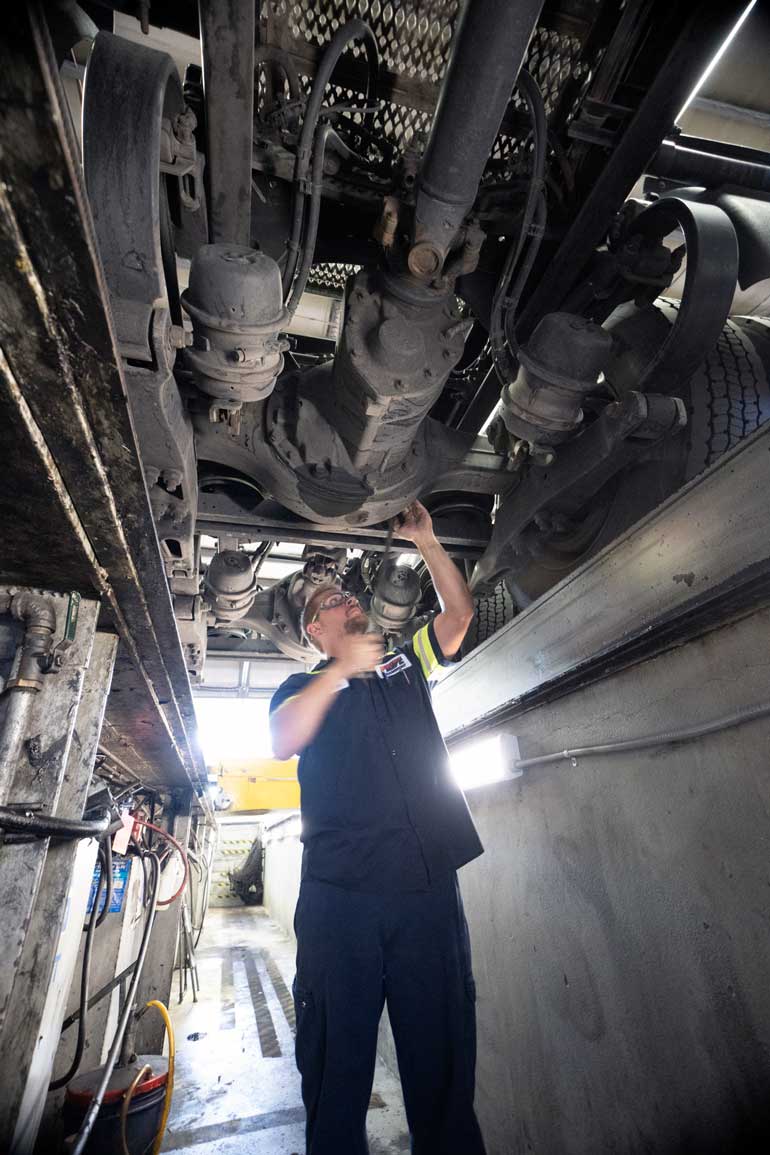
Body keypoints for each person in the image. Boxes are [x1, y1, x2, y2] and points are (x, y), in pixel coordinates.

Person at [270, 500, 487, 1155]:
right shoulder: (299, 685)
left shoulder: (405, 664)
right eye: (331, 601)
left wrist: (425, 538)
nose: (346, 599)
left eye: (346, 592)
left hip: (426, 891)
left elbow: (459, 615)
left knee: (443, 1063)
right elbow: (284, 738)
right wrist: (339, 670)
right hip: (343, 900)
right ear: (315, 629)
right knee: (337, 1066)